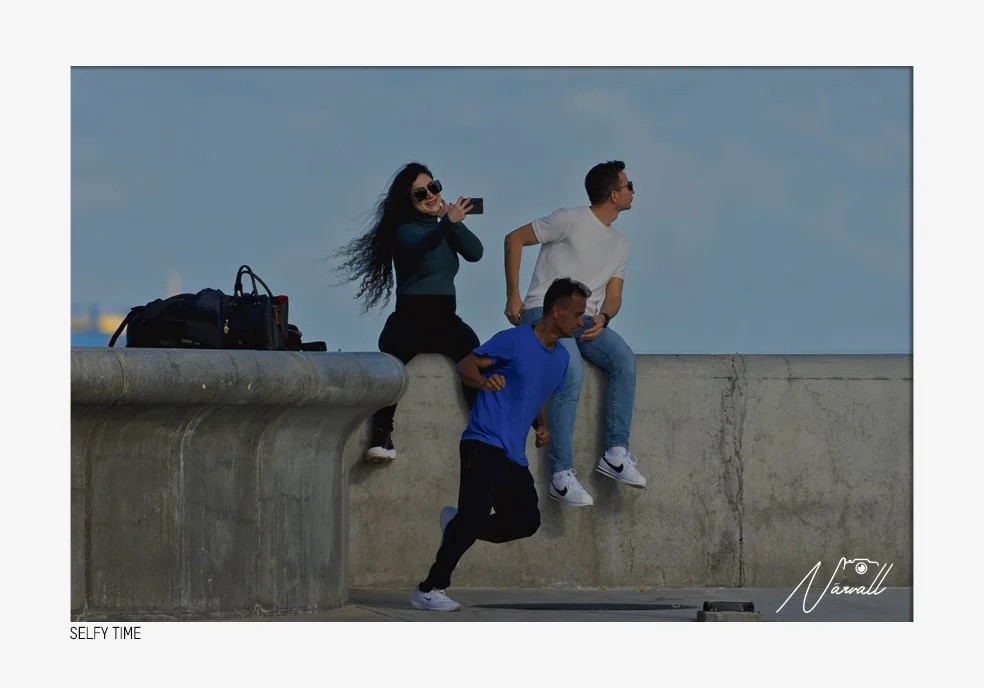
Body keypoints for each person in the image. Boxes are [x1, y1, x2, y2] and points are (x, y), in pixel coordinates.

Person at [410, 278, 586, 611]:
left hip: (513, 455)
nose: (581, 322)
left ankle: (458, 524)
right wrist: (483, 382)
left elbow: (536, 395)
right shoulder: (515, 341)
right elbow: (465, 366)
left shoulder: (560, 360)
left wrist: (540, 425)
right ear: (556, 311)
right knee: (475, 515)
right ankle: (429, 589)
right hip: (482, 442)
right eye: (577, 314)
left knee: (526, 522)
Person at [502, 160, 645, 508]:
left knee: (624, 359)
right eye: (629, 186)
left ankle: (615, 453)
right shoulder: (569, 219)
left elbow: (613, 295)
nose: (633, 191)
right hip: (544, 310)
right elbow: (514, 239)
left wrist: (605, 318)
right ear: (614, 194)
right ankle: (561, 475)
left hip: (585, 319)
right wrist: (513, 296)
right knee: (572, 369)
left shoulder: (620, 244)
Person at [334, 162, 482, 462]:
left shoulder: (445, 227)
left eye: (433, 187)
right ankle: (381, 436)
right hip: (411, 318)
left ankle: (483, 432)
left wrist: (453, 222)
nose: (430, 195)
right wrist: (447, 222)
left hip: (445, 318)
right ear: (408, 199)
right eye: (421, 193)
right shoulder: (404, 230)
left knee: (474, 359)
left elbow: (475, 253)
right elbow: (423, 246)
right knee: (391, 367)